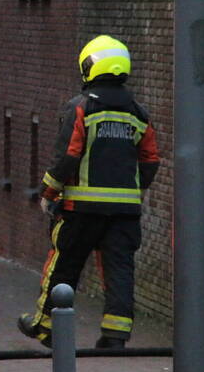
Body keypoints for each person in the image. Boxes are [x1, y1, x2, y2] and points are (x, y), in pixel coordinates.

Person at [17, 35, 160, 349]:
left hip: (80, 210)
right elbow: (150, 160)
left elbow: (68, 154)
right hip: (124, 213)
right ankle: (116, 335)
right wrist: (133, 190)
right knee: (119, 270)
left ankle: (44, 325)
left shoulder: (80, 108)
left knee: (64, 264)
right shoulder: (139, 113)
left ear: (90, 66)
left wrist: (48, 191)